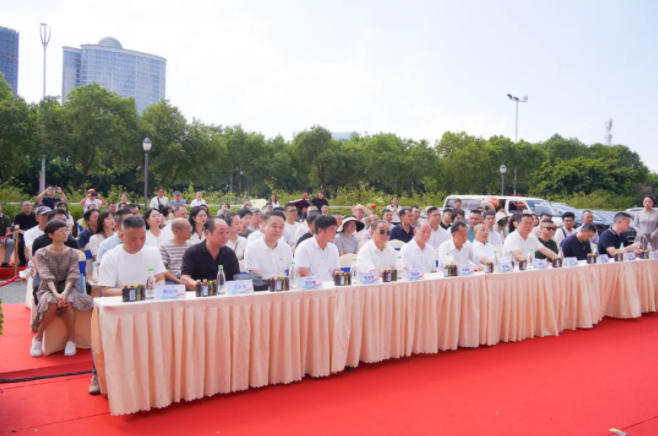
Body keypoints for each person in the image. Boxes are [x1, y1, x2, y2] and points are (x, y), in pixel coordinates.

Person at [30, 219, 94, 358]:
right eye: (61, 231)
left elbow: (73, 274)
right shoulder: (41, 253)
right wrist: (56, 293)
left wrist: (64, 292)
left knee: (68, 302)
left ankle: (71, 339)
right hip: (48, 287)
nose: (65, 233)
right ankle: (38, 337)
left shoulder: (73, 253)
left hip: (69, 286)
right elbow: (45, 274)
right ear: (50, 235)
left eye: (66, 230)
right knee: (52, 302)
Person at [181, 217, 240, 287]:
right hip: (200, 292)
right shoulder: (192, 252)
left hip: (224, 291)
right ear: (207, 233)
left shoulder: (230, 253)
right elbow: (185, 278)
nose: (225, 236)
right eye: (221, 232)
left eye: (227, 232)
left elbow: (236, 278)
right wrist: (203, 287)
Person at [244, 210, 292, 278]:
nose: (278, 230)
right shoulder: (252, 248)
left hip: (283, 283)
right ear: (264, 226)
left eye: (281, 227)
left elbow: (292, 269)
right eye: (274, 226)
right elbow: (254, 276)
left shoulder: (286, 248)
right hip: (261, 284)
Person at [294, 214, 340, 281]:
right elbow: (303, 276)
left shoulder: (333, 248)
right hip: (311, 286)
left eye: (335, 230)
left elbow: (336, 271)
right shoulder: (304, 248)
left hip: (330, 285)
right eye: (332, 230)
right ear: (320, 230)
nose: (334, 234)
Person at [159, 218, 193, 284]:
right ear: (176, 231)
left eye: (190, 227)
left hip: (191, 278)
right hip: (173, 280)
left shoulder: (192, 245)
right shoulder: (165, 246)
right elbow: (162, 269)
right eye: (187, 228)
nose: (190, 230)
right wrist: (179, 281)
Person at [0, 202, 15, 267]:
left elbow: (8, 231)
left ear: (1, 208)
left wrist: (4, 238)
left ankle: (5, 262)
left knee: (11, 242)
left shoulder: (6, 218)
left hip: (4, 237)